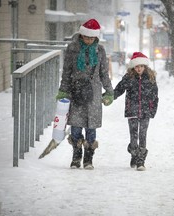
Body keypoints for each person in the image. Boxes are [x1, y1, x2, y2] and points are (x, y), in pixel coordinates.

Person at [56, 19, 114, 170]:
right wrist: (63, 90)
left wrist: (109, 91)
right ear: (81, 35)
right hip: (76, 92)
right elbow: (67, 72)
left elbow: (104, 73)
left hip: (93, 94)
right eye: (86, 37)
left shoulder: (100, 50)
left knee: (91, 127)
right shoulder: (72, 49)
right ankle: (76, 157)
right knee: (76, 127)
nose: (89, 40)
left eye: (92, 38)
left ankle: (88, 159)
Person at [113, 52, 159, 171]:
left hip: (146, 111)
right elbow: (119, 89)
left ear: (145, 67)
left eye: (141, 66)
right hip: (132, 110)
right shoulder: (129, 78)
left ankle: (141, 161)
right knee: (133, 136)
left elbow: (155, 96)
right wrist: (110, 96)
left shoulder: (150, 78)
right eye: (137, 67)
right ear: (133, 67)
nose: (139, 69)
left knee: (143, 135)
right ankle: (134, 152)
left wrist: (153, 109)